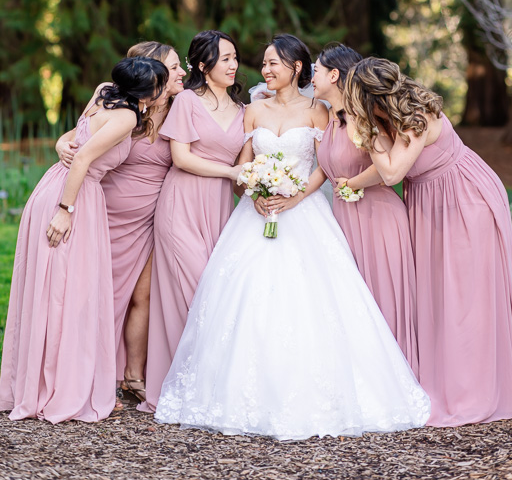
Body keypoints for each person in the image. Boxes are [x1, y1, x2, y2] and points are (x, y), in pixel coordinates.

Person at [154, 34, 430, 440]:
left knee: (316, 298)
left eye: (273, 63)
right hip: (257, 215)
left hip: (305, 213)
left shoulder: (319, 112)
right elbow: (244, 166)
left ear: (296, 68)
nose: (265, 70)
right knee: (245, 295)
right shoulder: (253, 111)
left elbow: (324, 165)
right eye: (263, 64)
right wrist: (257, 190)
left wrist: (297, 195)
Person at [344, 57, 512, 427]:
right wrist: (352, 183)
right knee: (439, 296)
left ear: (365, 95)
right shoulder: (389, 116)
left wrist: (364, 131)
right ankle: (444, 382)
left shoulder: (416, 115)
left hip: (463, 200)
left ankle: (473, 392)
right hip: (431, 202)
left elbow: (391, 172)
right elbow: (388, 166)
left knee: (465, 298)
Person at [0, 57, 169, 423]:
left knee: (52, 289)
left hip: (54, 185)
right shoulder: (126, 117)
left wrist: (62, 152)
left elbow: (73, 139)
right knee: (65, 291)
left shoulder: (104, 94)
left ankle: (38, 382)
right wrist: (65, 210)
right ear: (148, 92)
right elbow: (83, 159)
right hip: (74, 195)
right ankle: (56, 388)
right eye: (161, 84)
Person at [56, 42, 186, 403]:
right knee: (89, 291)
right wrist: (58, 144)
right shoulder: (122, 101)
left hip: (145, 218)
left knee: (140, 295)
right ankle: (85, 370)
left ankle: (132, 373)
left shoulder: (182, 108)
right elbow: (78, 137)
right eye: (174, 67)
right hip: (102, 208)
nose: (182, 74)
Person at [140, 30, 245, 412]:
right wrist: (231, 173)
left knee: (218, 294)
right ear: (203, 65)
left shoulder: (245, 110)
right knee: (195, 293)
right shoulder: (186, 100)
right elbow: (181, 158)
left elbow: (246, 168)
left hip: (219, 213)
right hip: (181, 206)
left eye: (235, 57)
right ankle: (186, 388)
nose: (233, 65)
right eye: (225, 58)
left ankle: (215, 387)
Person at [313, 44, 419, 374]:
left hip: (378, 218)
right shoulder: (330, 118)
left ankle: (395, 378)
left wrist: (354, 182)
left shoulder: (364, 116)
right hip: (346, 219)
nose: (311, 77)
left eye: (315, 70)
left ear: (334, 75)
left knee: (381, 296)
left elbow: (388, 168)